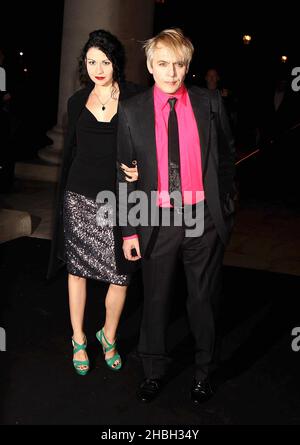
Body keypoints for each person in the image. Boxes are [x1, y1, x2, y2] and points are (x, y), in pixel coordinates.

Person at [117, 29, 236, 403]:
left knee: (203, 299)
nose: (171, 73)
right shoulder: (132, 110)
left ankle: (204, 372)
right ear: (151, 66)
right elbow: (122, 174)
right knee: (155, 299)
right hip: (157, 219)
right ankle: (153, 370)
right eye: (163, 64)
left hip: (203, 219)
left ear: (188, 66)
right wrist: (129, 231)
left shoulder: (210, 102)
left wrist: (226, 208)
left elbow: (228, 157)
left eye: (179, 64)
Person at [47, 29, 141, 376]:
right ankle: (78, 338)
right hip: (79, 197)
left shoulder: (135, 98)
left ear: (116, 62)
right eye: (90, 61)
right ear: (83, 64)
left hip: (118, 200)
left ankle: (109, 335)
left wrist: (140, 170)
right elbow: (70, 152)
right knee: (77, 271)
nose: (98, 68)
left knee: (121, 274)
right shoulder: (76, 101)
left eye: (104, 61)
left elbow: (149, 143)